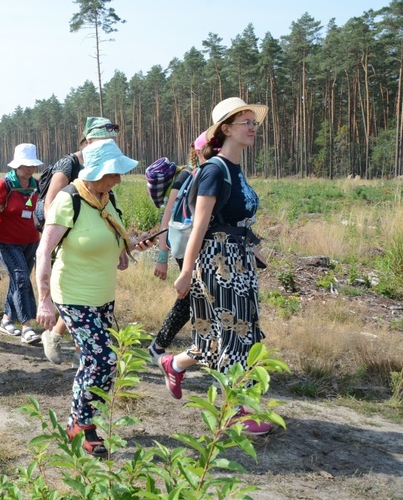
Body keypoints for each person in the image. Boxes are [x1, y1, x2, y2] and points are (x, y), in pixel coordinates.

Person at [157, 97, 271, 436]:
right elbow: (201, 225)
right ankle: (234, 412)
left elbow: (234, 219)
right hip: (218, 262)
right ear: (225, 129)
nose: (253, 128)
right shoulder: (213, 170)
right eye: (245, 122)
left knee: (214, 335)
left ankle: (174, 363)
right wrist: (186, 271)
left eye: (254, 122)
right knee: (237, 333)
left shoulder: (236, 170)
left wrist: (253, 248)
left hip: (239, 258)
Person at [36, 138, 137, 458]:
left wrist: (125, 249)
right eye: (113, 172)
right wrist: (44, 299)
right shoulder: (70, 200)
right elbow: (44, 250)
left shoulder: (107, 198)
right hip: (73, 294)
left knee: (99, 361)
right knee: (103, 358)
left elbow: (112, 234)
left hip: (103, 294)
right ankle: (82, 423)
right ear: (95, 171)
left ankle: (80, 419)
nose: (119, 178)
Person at [40, 117, 120, 365]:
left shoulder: (106, 169)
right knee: (77, 296)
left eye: (110, 141)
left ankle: (81, 355)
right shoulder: (69, 163)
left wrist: (119, 243)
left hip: (90, 238)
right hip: (66, 234)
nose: (107, 144)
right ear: (88, 140)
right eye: (102, 140)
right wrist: (59, 237)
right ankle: (61, 340)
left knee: (90, 306)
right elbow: (51, 205)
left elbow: (105, 209)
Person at [141, 131, 208, 361]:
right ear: (199, 152)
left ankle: (196, 348)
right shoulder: (186, 176)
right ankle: (160, 346)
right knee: (190, 296)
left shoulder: (203, 174)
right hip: (188, 246)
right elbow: (168, 216)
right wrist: (161, 257)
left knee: (196, 297)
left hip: (199, 246)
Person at [0, 143, 42, 345]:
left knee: (18, 281)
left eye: (32, 164)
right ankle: (27, 327)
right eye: (26, 164)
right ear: (17, 165)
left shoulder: (37, 185)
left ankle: (7, 320)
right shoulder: (3, 185)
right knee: (21, 278)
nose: (30, 169)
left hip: (31, 242)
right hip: (6, 242)